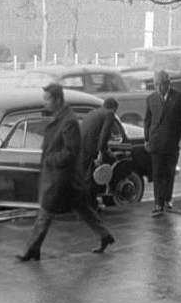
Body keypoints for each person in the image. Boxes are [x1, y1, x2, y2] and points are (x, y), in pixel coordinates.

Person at [17, 83, 115, 262]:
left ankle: (32, 249)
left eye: (47, 99)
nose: (45, 103)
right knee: (84, 210)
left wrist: (51, 159)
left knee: (45, 213)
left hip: (62, 178)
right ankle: (105, 235)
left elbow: (71, 151)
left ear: (58, 100)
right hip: (64, 178)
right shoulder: (61, 117)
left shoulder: (68, 121)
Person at [143, 70, 181, 217]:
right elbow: (147, 120)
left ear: (167, 83)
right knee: (157, 173)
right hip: (156, 142)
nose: (158, 88)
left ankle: (167, 199)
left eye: (160, 85)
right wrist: (146, 139)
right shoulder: (151, 99)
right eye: (155, 85)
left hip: (172, 142)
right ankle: (158, 202)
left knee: (169, 172)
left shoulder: (179, 97)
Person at [80, 97, 119, 210]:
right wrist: (102, 152)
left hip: (81, 148)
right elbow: (104, 134)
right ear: (113, 108)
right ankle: (91, 206)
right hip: (91, 149)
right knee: (92, 178)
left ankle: (84, 205)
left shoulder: (92, 112)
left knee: (85, 177)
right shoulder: (109, 114)